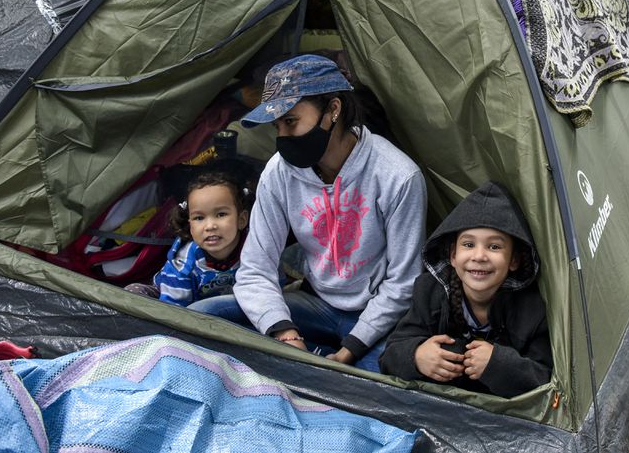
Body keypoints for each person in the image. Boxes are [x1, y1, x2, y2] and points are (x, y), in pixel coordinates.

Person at [232, 54, 426, 373]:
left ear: (333, 110)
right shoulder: (279, 172)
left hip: (378, 318)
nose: (283, 137)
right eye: (277, 126)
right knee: (208, 315)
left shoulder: (398, 176)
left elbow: (404, 281)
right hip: (315, 304)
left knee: (377, 383)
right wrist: (284, 332)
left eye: (291, 121)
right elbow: (255, 268)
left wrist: (351, 348)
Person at [379, 181, 551, 397]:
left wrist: (497, 364)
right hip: (436, 407)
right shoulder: (430, 292)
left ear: (514, 260)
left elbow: (545, 379)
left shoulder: (532, 311)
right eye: (468, 245)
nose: (479, 256)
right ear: (453, 255)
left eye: (494, 246)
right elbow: (389, 356)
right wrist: (417, 356)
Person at [141, 160, 256, 308]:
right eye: (199, 218)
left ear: (241, 220)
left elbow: (270, 287)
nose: (210, 226)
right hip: (173, 300)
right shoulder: (182, 264)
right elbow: (174, 311)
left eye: (221, 214)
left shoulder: (256, 250)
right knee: (134, 292)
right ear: (190, 225)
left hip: (232, 307)